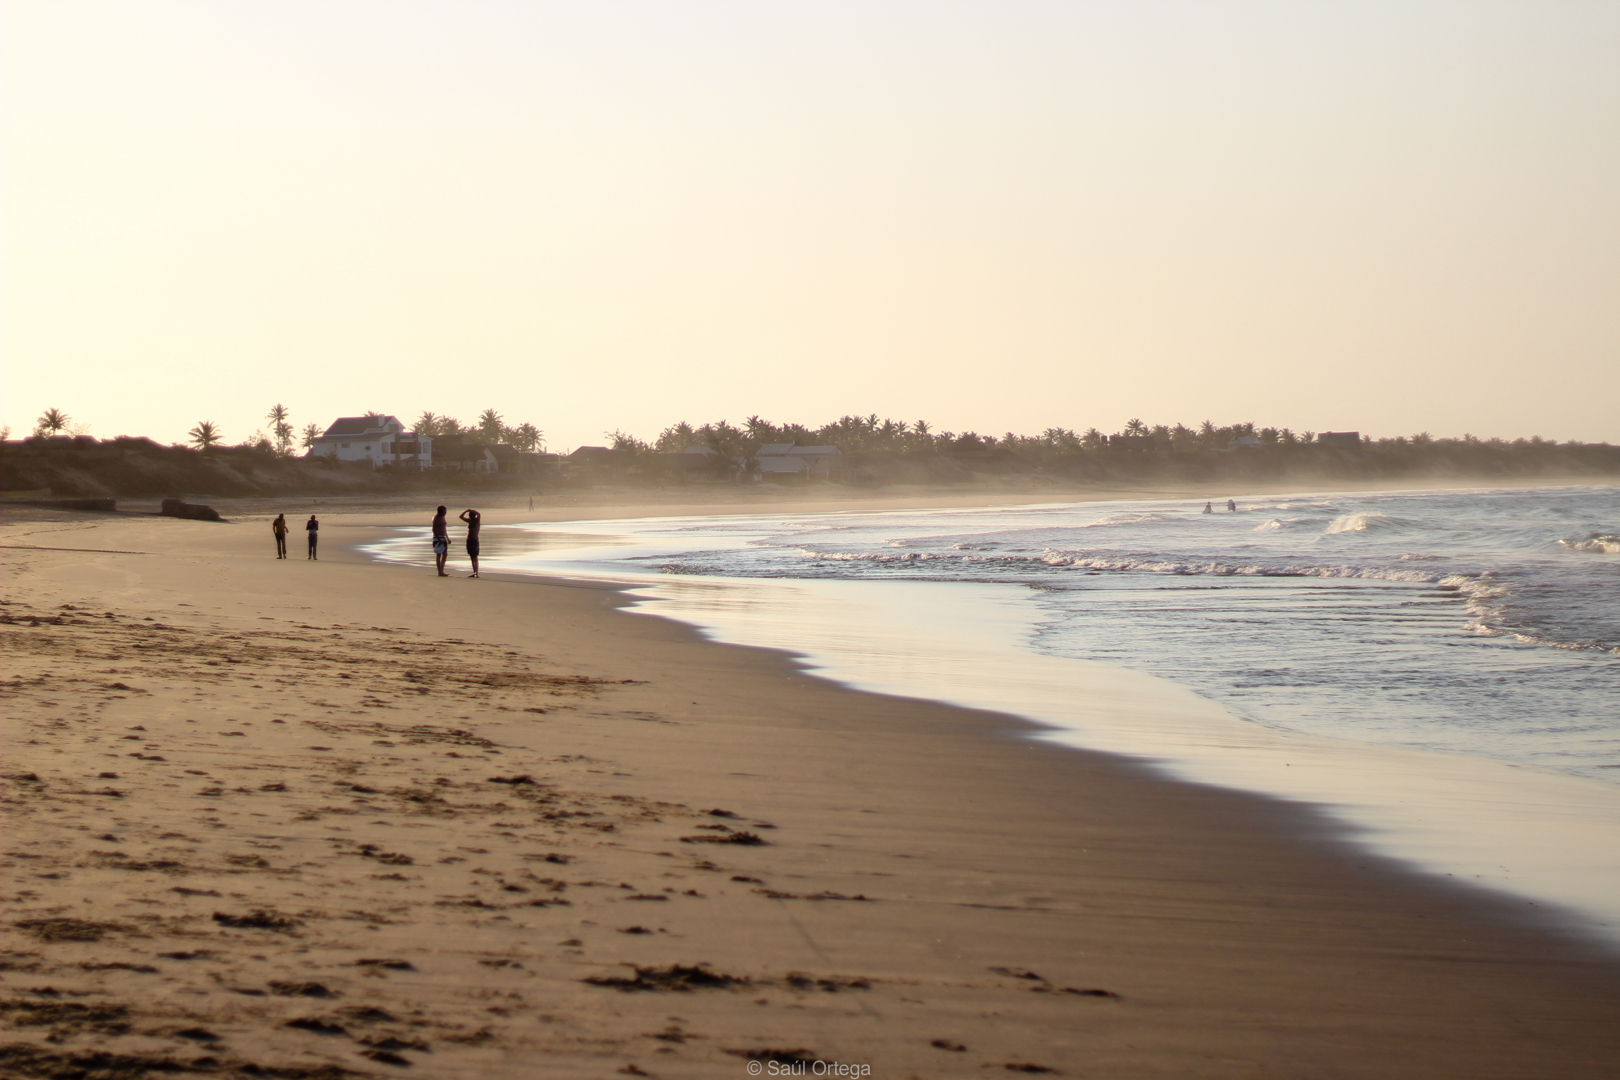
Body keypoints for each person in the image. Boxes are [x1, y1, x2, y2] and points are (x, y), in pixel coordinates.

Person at [459, 508, 482, 578]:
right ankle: (474, 572)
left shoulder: (477, 521)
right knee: (472, 557)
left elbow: (479, 514)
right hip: (469, 540)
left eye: (470, 514)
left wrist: (472, 511)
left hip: (474, 540)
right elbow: (461, 517)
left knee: (475, 557)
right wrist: (466, 511)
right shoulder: (469, 521)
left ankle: (476, 572)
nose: (469, 516)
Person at [431, 505, 450, 577]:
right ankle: (440, 572)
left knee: (445, 554)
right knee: (439, 554)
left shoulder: (443, 517)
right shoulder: (436, 518)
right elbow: (434, 529)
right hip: (437, 538)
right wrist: (438, 539)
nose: (445, 513)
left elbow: (444, 529)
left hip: (443, 537)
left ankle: (442, 570)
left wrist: (447, 538)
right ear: (440, 512)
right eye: (444, 511)